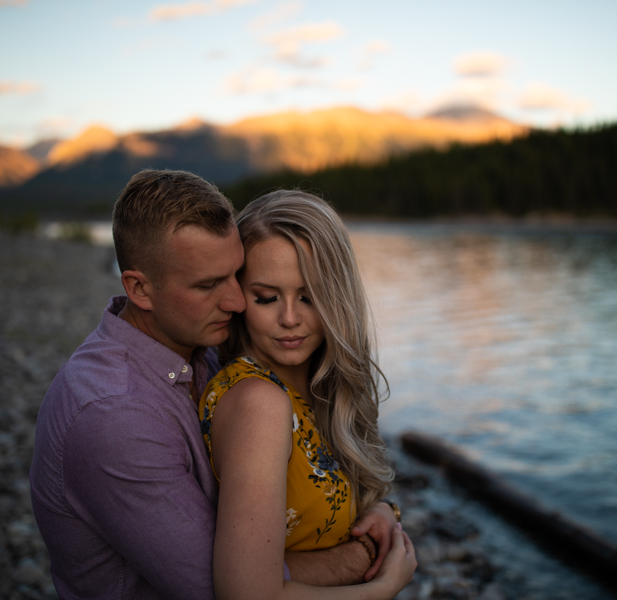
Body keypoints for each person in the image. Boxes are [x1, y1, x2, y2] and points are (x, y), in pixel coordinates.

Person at [29, 170, 408, 600]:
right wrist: (365, 561)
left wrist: (376, 510)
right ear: (139, 288)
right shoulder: (113, 414)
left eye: (236, 277)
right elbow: (224, 586)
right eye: (209, 285)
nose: (234, 302)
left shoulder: (204, 346)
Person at [199, 190, 417, 598]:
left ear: (337, 298)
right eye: (266, 297)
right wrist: (381, 588)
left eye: (309, 297)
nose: (289, 319)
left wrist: (381, 512)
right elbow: (247, 594)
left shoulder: (318, 386)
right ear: (238, 296)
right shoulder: (257, 403)